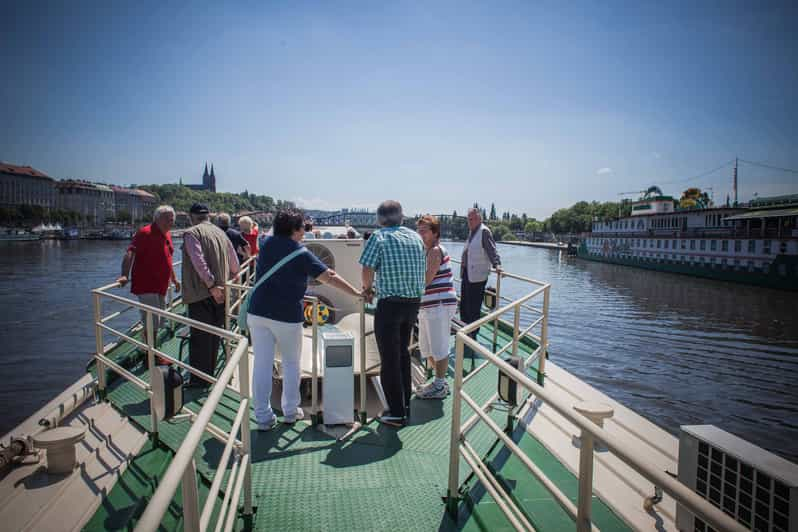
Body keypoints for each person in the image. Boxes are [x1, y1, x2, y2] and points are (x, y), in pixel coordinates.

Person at [248, 210, 362, 430]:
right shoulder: (301, 253)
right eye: (303, 227)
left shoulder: (266, 242)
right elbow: (329, 277)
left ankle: (263, 417)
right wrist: (356, 293)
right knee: (291, 363)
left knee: (262, 363)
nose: (305, 231)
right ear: (295, 230)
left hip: (258, 312)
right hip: (286, 316)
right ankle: (290, 412)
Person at [360, 200, 426, 426]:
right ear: (401, 217)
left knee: (389, 358)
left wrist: (367, 290)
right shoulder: (415, 237)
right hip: (413, 304)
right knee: (403, 354)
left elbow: (367, 269)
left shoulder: (378, 237)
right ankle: (405, 403)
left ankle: (396, 413)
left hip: (390, 305)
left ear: (379, 219)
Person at [182, 203, 240, 384]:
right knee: (214, 335)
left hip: (202, 293)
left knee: (200, 337)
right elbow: (235, 265)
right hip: (223, 292)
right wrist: (228, 281)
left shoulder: (192, 233)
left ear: (192, 217)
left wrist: (212, 285)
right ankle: (211, 373)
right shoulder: (221, 233)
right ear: (208, 216)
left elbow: (199, 262)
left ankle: (200, 380)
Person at [117, 205, 180, 345]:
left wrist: (174, 279)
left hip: (161, 285)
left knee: (158, 318)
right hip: (147, 285)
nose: (171, 222)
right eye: (167, 219)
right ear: (157, 219)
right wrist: (124, 275)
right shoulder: (145, 233)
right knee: (152, 321)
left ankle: (150, 347)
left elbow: (168, 259)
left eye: (172, 219)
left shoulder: (167, 234)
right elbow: (130, 253)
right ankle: (150, 353)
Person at [414, 215, 457, 399]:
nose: (420, 234)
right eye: (419, 230)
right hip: (429, 305)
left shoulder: (434, 251)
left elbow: (427, 279)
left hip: (438, 304)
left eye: (424, 231)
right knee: (427, 346)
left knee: (438, 346)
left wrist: (407, 287)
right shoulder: (427, 251)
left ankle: (439, 386)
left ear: (435, 233)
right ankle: (440, 382)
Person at [460, 208, 501, 352]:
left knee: (474, 307)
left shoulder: (484, 231)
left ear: (479, 219)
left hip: (477, 277)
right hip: (467, 274)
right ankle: (465, 330)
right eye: (468, 220)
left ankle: (472, 335)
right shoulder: (472, 231)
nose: (469, 222)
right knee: (464, 304)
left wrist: (497, 264)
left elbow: (492, 250)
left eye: (471, 219)